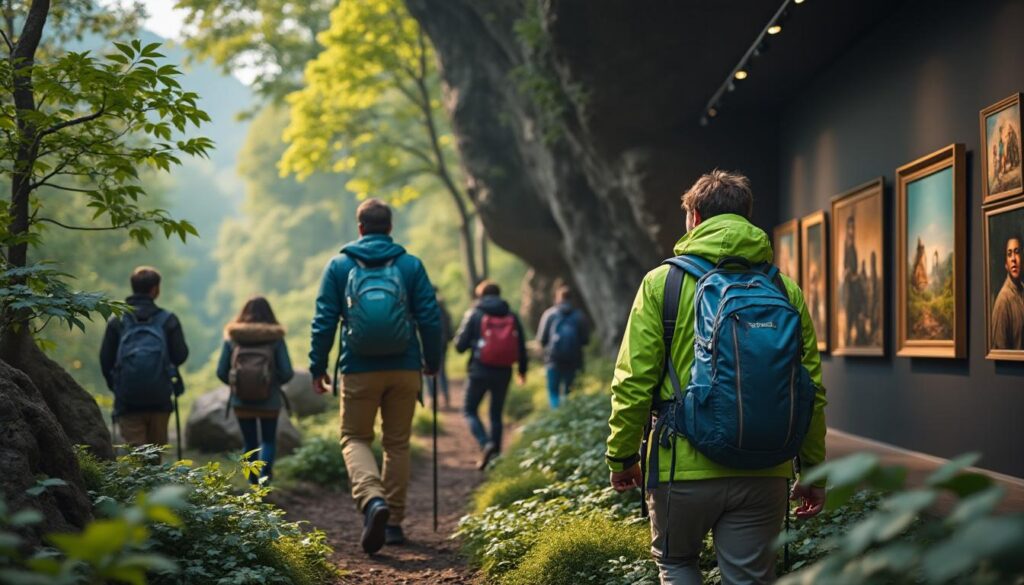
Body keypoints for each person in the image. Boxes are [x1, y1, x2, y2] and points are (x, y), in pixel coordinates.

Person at [605, 170, 827, 585]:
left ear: (694, 217)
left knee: (677, 564)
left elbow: (633, 381)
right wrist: (812, 469)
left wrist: (622, 457)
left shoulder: (662, 283)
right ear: (747, 218)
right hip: (766, 467)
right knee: (748, 578)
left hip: (680, 464)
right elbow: (810, 387)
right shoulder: (784, 289)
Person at [309, 198, 442, 554]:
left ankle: (372, 500)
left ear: (360, 228)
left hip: (358, 368)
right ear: (390, 227)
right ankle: (394, 523)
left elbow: (323, 321)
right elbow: (430, 317)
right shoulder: (410, 265)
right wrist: (433, 361)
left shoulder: (339, 266)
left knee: (355, 438)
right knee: (397, 443)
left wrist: (317, 366)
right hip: (405, 367)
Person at [100, 266, 189, 449]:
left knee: (136, 456)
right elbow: (180, 355)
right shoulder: (168, 319)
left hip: (128, 399)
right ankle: (156, 478)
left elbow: (105, 359)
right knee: (155, 454)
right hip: (160, 398)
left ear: (133, 287)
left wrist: (116, 385)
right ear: (155, 289)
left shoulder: (118, 320)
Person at [216, 296, 294, 484]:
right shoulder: (275, 338)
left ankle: (251, 482)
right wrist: (271, 384)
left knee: (249, 442)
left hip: (241, 400)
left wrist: (238, 385)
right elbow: (287, 371)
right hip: (269, 400)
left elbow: (221, 371)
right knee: (268, 440)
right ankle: (264, 477)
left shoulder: (233, 337)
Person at [454, 280, 528, 469]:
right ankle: (495, 458)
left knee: (469, 409)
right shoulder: (510, 314)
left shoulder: (475, 313)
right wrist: (522, 370)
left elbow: (460, 346)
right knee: (496, 414)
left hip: (479, 370)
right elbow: (520, 345)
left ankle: (485, 442)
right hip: (504, 371)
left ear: (481, 295)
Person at [537, 285, 590, 408]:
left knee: (553, 392)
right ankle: (569, 417)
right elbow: (585, 340)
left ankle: (557, 415)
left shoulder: (549, 315)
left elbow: (542, 339)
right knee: (569, 392)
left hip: (553, 360)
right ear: (572, 299)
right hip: (574, 360)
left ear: (557, 298)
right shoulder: (579, 316)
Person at [991, 235, 1024, 350]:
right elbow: (1001, 354)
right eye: (1009, 254)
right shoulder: (1003, 301)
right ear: (1006, 264)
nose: (1013, 258)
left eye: (1017, 252)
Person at [430, 286, 454, 409]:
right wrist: (450, 338)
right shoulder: (442, 307)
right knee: (442, 371)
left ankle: (433, 399)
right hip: (442, 343)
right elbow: (449, 326)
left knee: (428, 372)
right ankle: (445, 397)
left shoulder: (424, 305)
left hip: (428, 343)